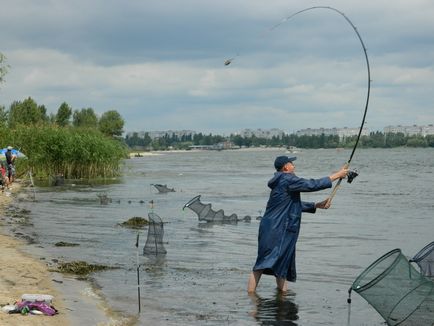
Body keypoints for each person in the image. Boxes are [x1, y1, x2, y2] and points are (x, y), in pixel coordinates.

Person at [247, 155, 348, 293]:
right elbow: (312, 184)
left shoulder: (281, 181)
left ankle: (282, 296)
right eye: (292, 164)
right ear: (286, 167)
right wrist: (338, 175)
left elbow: (291, 204)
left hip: (274, 227)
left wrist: (315, 205)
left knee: (282, 264)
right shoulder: (287, 179)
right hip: (277, 228)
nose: (294, 166)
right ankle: (251, 298)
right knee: (261, 264)